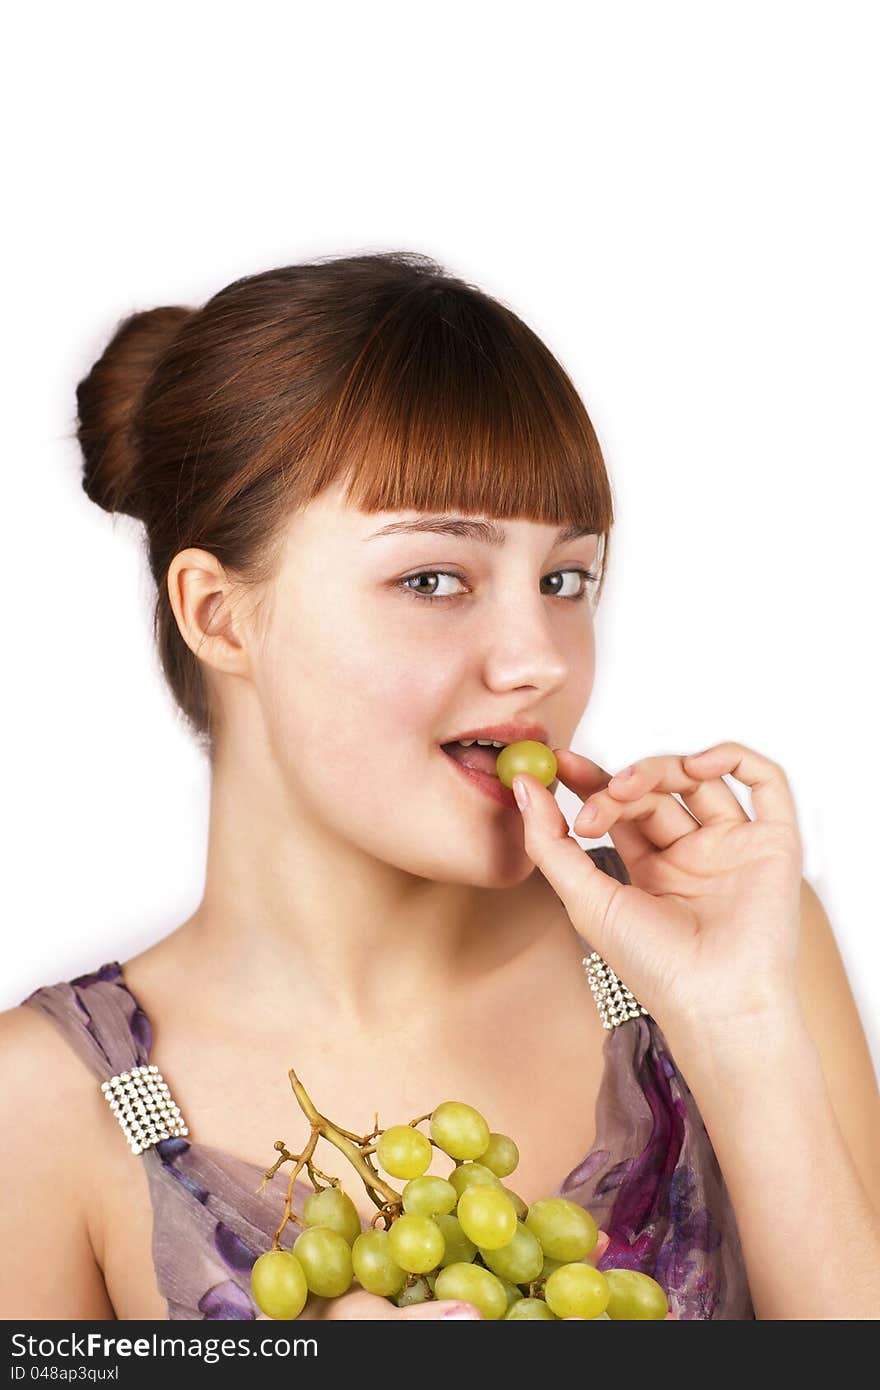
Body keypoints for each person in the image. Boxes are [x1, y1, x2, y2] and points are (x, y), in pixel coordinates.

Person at [2, 251, 878, 1321]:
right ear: (219, 615)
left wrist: (739, 1025)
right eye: (432, 578)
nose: (537, 660)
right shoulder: (38, 1110)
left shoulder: (735, 950)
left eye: (564, 579)